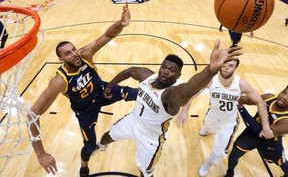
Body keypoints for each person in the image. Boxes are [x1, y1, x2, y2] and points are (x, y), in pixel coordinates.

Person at [93, 40, 244, 177]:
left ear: (178, 75)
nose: (166, 71)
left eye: (172, 70)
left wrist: (210, 70)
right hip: (133, 121)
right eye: (164, 67)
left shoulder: (171, 94)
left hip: (150, 138)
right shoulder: (146, 76)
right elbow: (130, 71)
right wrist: (110, 86)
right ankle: (101, 146)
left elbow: (189, 89)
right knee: (107, 136)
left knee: (144, 171)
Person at [28, 3, 138, 177]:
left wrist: (122, 23)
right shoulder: (59, 81)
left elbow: (108, 35)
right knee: (89, 146)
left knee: (136, 94)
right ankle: (84, 167)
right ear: (60, 59)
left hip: (103, 91)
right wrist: (40, 153)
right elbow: (32, 115)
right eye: (68, 54)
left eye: (73, 49)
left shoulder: (85, 54)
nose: (74, 54)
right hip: (85, 110)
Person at [176, 59, 274, 177]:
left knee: (218, 152)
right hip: (212, 116)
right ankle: (206, 130)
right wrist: (184, 110)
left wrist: (266, 127)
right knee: (206, 128)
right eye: (224, 65)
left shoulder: (241, 84)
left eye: (230, 66)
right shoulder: (211, 80)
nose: (226, 68)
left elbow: (259, 101)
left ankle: (208, 164)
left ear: (236, 67)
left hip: (228, 123)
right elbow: (192, 94)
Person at [225, 86, 288, 177]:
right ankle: (229, 173)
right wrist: (232, 95)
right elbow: (247, 100)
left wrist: (242, 109)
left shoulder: (286, 122)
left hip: (270, 143)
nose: (284, 97)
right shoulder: (268, 97)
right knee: (235, 153)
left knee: (283, 163)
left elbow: (262, 131)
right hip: (251, 135)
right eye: (284, 92)